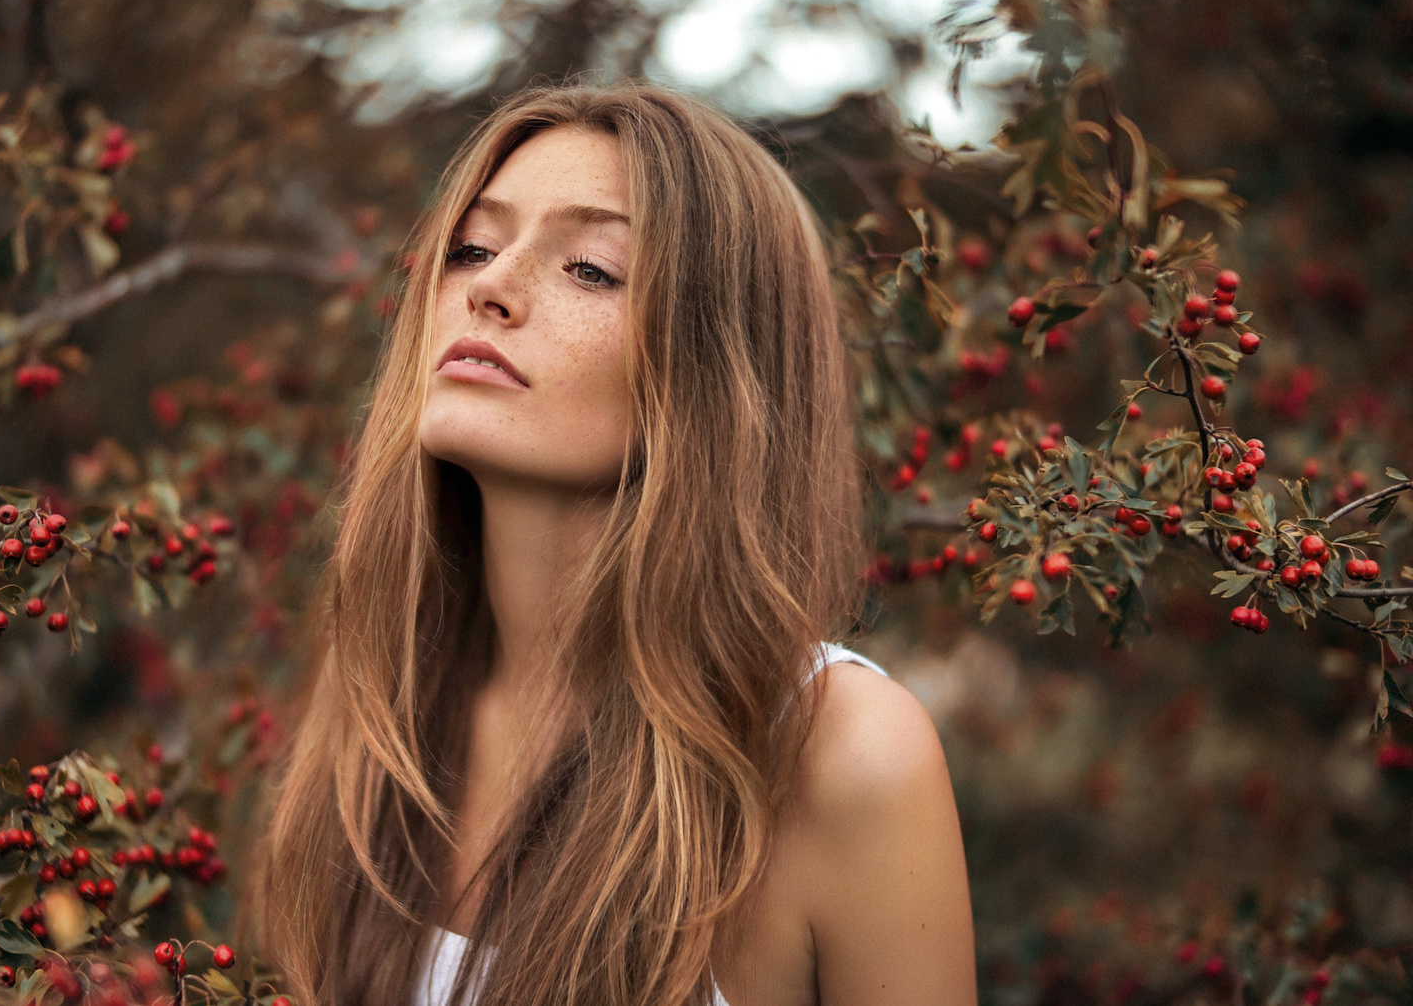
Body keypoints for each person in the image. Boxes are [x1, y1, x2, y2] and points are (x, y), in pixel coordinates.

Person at [250, 80, 976, 1006]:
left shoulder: (839, 753)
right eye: (471, 246)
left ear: (719, 372)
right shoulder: (377, 715)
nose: (491, 287)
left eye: (590, 268)